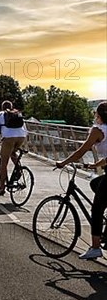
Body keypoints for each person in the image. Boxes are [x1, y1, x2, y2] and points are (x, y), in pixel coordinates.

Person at [56, 101, 107, 260]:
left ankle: (95, 248)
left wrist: (63, 162)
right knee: (95, 183)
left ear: (98, 115)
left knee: (97, 208)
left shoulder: (98, 130)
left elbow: (81, 151)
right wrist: (95, 165)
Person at [0, 100, 27, 197]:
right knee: (12, 153)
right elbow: (25, 128)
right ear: (11, 107)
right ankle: (19, 169)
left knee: (4, 163)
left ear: (2, 107)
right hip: (21, 137)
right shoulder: (17, 113)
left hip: (9, 138)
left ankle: (1, 188)